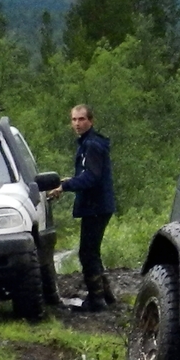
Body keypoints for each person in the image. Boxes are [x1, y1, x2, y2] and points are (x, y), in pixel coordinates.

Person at [53, 104, 117, 312]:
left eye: (81, 119)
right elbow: (88, 174)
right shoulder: (87, 144)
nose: (77, 124)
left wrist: (65, 186)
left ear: (91, 120)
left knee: (87, 253)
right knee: (91, 252)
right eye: (74, 120)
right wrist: (71, 180)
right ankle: (105, 296)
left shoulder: (92, 145)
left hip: (96, 206)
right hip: (96, 205)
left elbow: (92, 177)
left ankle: (96, 300)